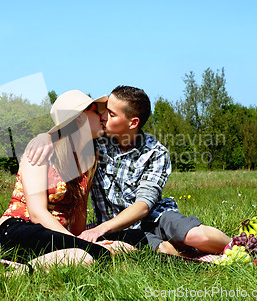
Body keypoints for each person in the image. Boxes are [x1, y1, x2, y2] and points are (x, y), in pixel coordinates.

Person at [26, 86, 231, 257]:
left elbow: (143, 206)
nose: (104, 116)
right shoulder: (96, 142)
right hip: (116, 229)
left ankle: (241, 245)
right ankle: (189, 254)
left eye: (112, 114)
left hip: (155, 218)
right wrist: (44, 136)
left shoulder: (155, 152)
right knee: (163, 254)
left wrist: (101, 228)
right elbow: (70, 131)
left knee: (198, 237)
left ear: (133, 123)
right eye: (105, 110)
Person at [0, 90, 146, 273]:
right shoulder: (41, 150)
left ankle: (69, 255)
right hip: (21, 228)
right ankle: (19, 273)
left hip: (58, 234)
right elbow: (37, 213)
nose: (103, 116)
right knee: (93, 253)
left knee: (136, 237)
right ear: (79, 118)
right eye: (95, 111)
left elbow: (79, 214)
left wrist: (86, 237)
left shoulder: (90, 158)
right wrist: (81, 243)